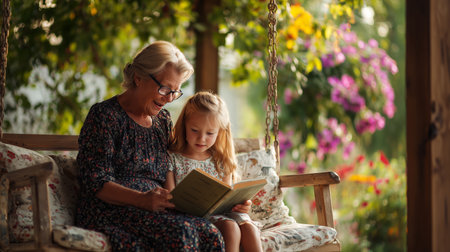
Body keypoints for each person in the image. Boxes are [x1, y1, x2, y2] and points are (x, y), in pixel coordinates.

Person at [76, 41, 225, 251]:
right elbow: (95, 183)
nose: (169, 99)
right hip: (111, 209)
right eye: (165, 88)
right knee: (181, 232)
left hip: (154, 210)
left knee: (211, 234)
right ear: (139, 78)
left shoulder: (162, 120)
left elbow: (178, 163)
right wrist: (141, 200)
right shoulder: (105, 116)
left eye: (175, 92)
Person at [165, 91, 263, 252]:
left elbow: (226, 197)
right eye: (195, 130)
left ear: (220, 132)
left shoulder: (220, 160)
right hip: (191, 217)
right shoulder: (173, 158)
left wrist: (241, 205)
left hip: (222, 214)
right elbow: (170, 197)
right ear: (184, 125)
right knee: (230, 228)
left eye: (210, 133)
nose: (202, 138)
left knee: (249, 228)